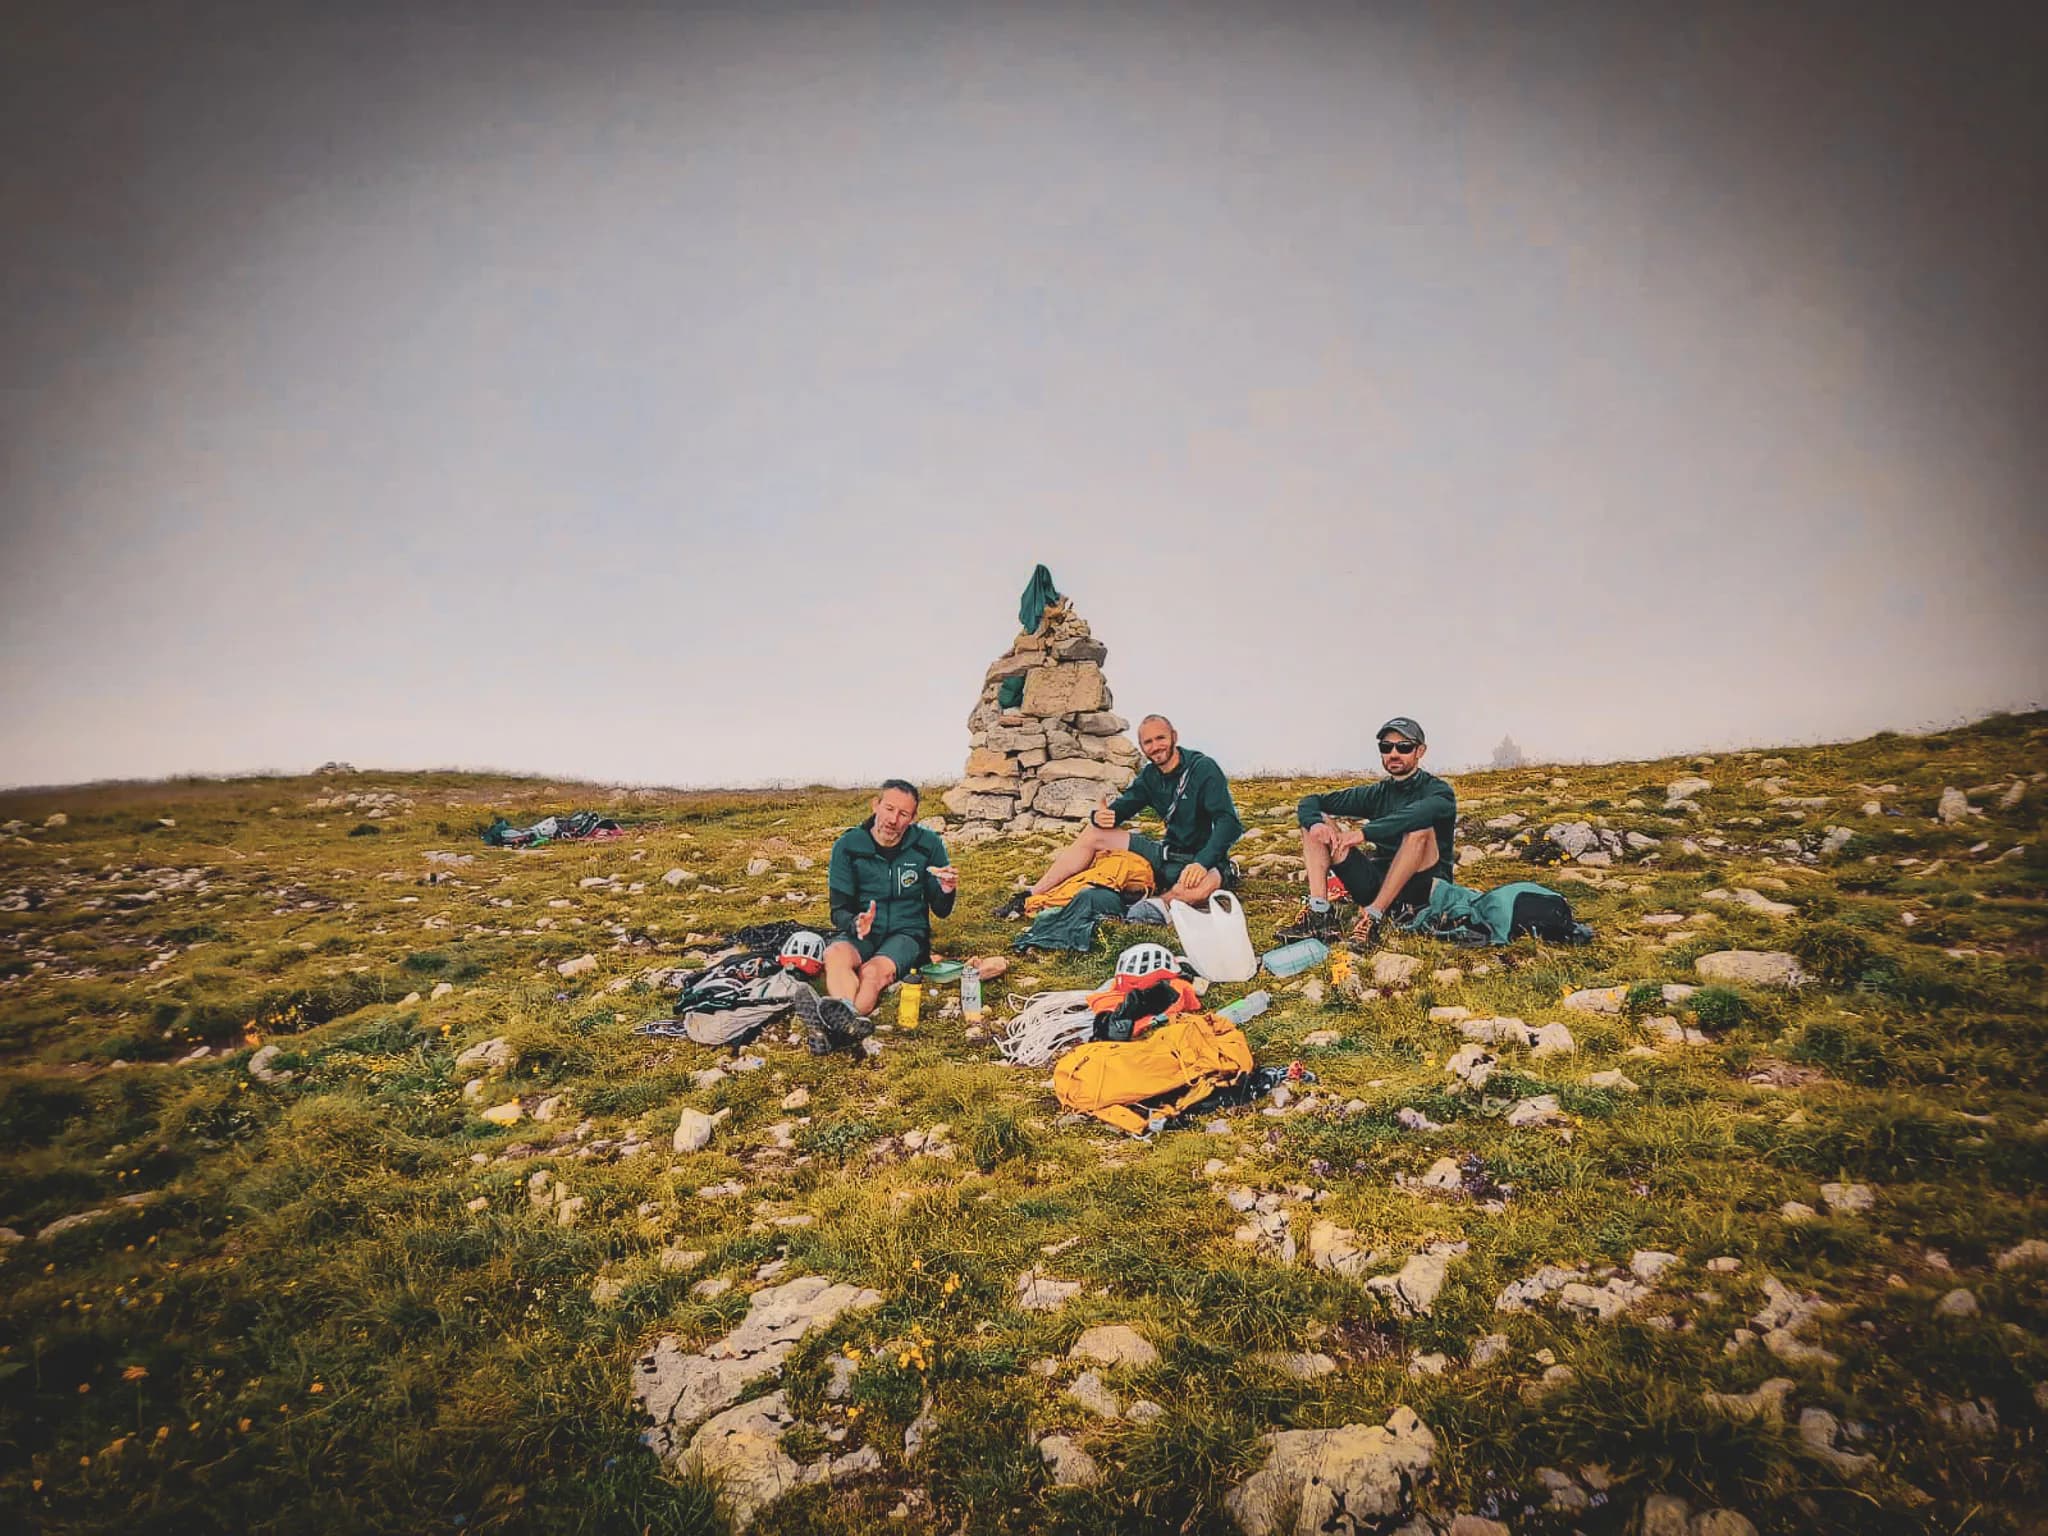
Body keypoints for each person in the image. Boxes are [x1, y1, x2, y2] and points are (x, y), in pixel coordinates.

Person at [1008, 715, 1243, 918]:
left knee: (1200, 890)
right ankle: (1031, 894)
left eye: (1160, 738)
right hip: (1165, 854)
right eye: (1148, 742)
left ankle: (1150, 910)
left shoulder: (1202, 768)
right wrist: (1103, 817)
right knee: (1095, 834)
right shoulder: (1150, 776)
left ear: (1174, 736)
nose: (1155, 746)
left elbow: (1229, 823)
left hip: (1204, 858)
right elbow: (1123, 808)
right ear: (1142, 747)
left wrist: (1202, 863)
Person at [792, 779, 957, 1052]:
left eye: (903, 814)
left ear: (913, 818)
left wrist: (947, 889)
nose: (893, 819)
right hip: (863, 929)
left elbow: (941, 909)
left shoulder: (928, 845)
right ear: (875, 805)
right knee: (835, 955)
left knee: (871, 973)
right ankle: (845, 1017)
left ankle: (829, 1027)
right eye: (889, 808)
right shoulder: (848, 846)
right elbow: (838, 909)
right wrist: (855, 922)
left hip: (907, 933)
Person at [1275, 716, 1456, 945]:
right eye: (1386, 747)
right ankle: (1319, 913)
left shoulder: (1440, 792)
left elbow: (1417, 815)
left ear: (1420, 751)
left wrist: (1365, 833)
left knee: (1420, 830)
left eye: (1404, 747)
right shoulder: (1377, 793)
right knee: (1316, 820)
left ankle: (1374, 918)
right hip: (1377, 885)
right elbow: (1312, 801)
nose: (1393, 753)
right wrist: (1317, 825)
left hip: (1422, 892)